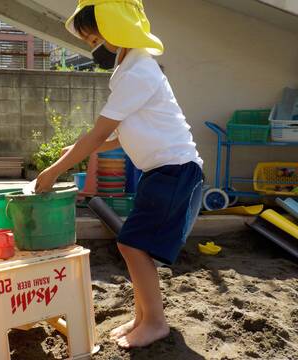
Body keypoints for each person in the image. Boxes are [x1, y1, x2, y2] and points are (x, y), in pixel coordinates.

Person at [35, 0, 203, 349]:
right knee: (132, 245)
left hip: (175, 171)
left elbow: (98, 135)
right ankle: (144, 317)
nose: (93, 47)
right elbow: (117, 135)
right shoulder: (128, 68)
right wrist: (75, 153)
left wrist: (54, 171)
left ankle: (155, 322)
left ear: (116, 30)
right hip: (161, 171)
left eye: (95, 38)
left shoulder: (139, 71)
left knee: (131, 244)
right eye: (88, 39)